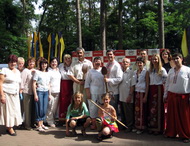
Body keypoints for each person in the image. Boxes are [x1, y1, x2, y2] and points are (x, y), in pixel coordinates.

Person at [163, 53, 190, 143]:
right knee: (171, 116)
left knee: (184, 117)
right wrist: (165, 95)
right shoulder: (171, 70)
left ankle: (186, 135)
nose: (175, 60)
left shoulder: (187, 70)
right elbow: (167, 84)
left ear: (181, 59)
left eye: (177, 58)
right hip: (172, 95)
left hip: (183, 96)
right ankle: (171, 133)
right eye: (174, 59)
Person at [0, 54, 23, 136]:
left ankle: (10, 126)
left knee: (14, 111)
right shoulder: (4, 70)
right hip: (7, 94)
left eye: (14, 62)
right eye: (11, 62)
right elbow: (0, 83)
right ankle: (9, 128)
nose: (13, 63)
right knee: (9, 112)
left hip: (15, 95)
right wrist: (2, 95)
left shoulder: (17, 71)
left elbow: (18, 83)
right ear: (8, 62)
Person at [147, 54, 167, 135]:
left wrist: (165, 92)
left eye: (156, 59)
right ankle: (152, 127)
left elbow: (166, 81)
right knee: (151, 109)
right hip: (152, 89)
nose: (154, 61)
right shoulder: (150, 70)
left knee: (158, 108)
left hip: (159, 89)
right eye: (153, 59)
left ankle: (159, 128)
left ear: (158, 60)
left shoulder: (162, 70)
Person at [85, 57, 105, 129]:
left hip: (102, 92)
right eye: (95, 61)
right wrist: (88, 93)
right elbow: (87, 83)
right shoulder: (90, 72)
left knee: (101, 109)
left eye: (98, 61)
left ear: (101, 62)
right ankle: (93, 124)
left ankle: (100, 124)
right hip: (93, 92)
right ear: (93, 63)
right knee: (93, 108)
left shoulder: (103, 70)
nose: (97, 63)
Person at [33, 58, 51, 132]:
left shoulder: (48, 73)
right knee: (39, 108)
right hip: (39, 91)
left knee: (44, 108)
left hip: (46, 91)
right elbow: (34, 83)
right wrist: (35, 94)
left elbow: (49, 84)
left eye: (45, 64)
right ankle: (38, 125)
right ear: (40, 65)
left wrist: (49, 94)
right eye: (43, 64)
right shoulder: (37, 72)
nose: (44, 65)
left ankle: (42, 123)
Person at [132, 57, 149, 134]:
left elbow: (147, 84)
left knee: (142, 111)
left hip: (142, 92)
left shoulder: (146, 72)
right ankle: (137, 126)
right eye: (138, 63)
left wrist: (146, 95)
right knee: (137, 110)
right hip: (137, 92)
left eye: (140, 63)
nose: (139, 64)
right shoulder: (135, 72)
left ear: (143, 63)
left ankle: (142, 127)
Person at [104, 49, 123, 114]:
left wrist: (108, 80)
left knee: (113, 109)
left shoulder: (117, 65)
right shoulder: (107, 64)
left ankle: (114, 123)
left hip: (114, 91)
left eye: (111, 54)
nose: (109, 56)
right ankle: (109, 123)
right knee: (108, 109)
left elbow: (119, 78)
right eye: (108, 54)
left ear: (114, 55)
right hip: (108, 91)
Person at [119, 58, 135, 132]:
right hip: (121, 96)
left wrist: (130, 95)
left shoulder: (132, 72)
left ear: (129, 64)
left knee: (129, 113)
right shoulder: (120, 72)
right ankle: (123, 125)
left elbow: (133, 85)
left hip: (128, 96)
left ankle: (129, 126)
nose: (125, 63)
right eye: (123, 62)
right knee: (122, 113)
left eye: (126, 62)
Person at [20, 57, 36, 130]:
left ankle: (32, 123)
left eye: (32, 62)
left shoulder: (35, 71)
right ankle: (27, 125)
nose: (31, 63)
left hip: (33, 92)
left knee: (32, 110)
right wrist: (21, 90)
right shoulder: (25, 71)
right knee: (27, 110)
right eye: (30, 62)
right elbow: (22, 82)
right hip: (26, 92)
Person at [46, 57, 61, 127]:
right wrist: (49, 93)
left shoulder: (58, 70)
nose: (54, 63)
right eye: (52, 62)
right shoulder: (48, 71)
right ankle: (49, 121)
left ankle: (53, 120)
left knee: (55, 108)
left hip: (57, 91)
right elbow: (48, 82)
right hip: (51, 91)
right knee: (50, 107)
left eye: (55, 62)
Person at [59, 54, 73, 121]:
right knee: (63, 100)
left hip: (71, 83)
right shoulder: (60, 66)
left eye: (69, 58)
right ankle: (62, 117)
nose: (68, 60)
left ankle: (70, 116)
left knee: (70, 100)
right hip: (63, 84)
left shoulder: (73, 65)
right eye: (66, 58)